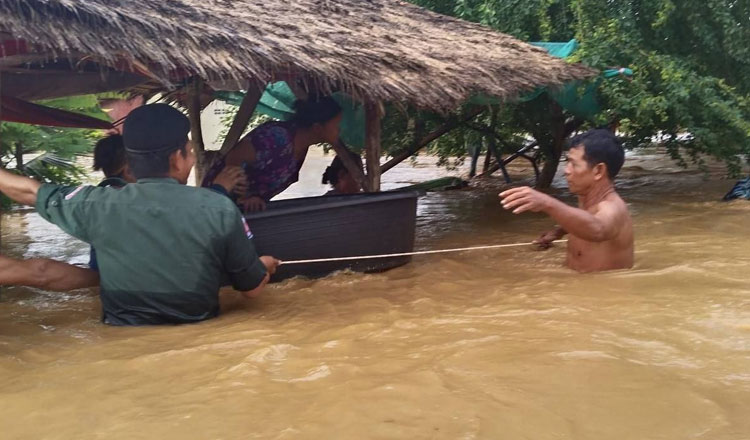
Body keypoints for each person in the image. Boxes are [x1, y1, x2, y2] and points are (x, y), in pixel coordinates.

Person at [0, 103, 280, 325]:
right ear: (176, 158)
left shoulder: (96, 204)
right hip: (197, 342)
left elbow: (28, 192)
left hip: (118, 341)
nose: (193, 158)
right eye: (190, 151)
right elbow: (252, 290)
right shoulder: (218, 208)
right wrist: (264, 265)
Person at [499, 129, 633, 273]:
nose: (566, 171)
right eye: (567, 162)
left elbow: (598, 229)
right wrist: (558, 232)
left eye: (574, 164)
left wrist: (547, 203)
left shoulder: (612, 208)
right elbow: (587, 218)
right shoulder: (588, 200)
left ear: (598, 171)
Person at [202, 96, 343, 211]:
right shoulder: (276, 136)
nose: (340, 130)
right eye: (337, 126)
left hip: (243, 213)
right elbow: (235, 157)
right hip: (216, 208)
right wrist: (243, 197)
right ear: (317, 127)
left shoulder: (301, 148)